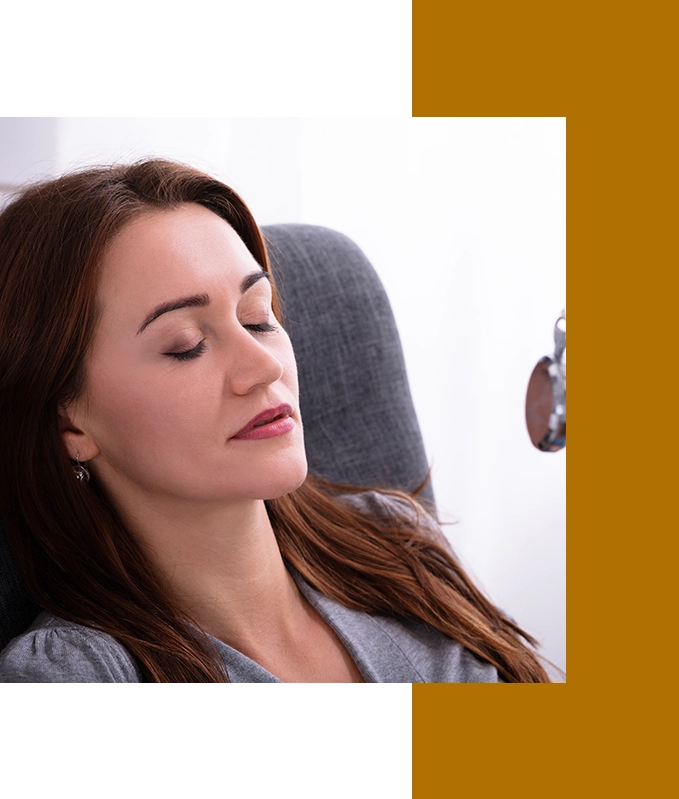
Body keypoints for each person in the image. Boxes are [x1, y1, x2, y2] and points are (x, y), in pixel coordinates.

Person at [0, 159, 552, 685]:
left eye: (258, 318)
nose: (264, 366)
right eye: (186, 346)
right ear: (70, 425)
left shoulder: (396, 546)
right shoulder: (78, 672)